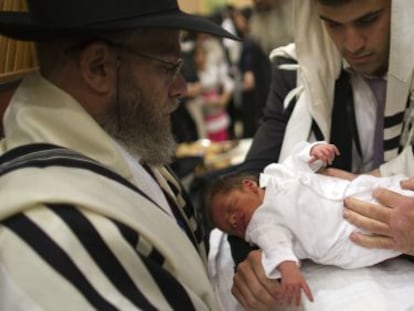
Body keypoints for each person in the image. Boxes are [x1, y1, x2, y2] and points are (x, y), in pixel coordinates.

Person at [0, 0, 239, 309]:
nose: (181, 87)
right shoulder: (53, 230)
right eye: (169, 67)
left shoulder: (127, 148)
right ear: (98, 67)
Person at [224, 0, 414, 309]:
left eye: (368, 20)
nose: (352, 43)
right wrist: (253, 262)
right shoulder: (296, 71)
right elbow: (248, 180)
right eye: (334, 24)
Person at [208, 141, 408, 306]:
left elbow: (298, 158)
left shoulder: (277, 174)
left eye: (231, 207)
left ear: (250, 186)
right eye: (230, 227)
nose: (233, 220)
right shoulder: (262, 223)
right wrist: (289, 271)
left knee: (392, 189)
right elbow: (276, 246)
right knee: (385, 239)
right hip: (343, 237)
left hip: (351, 191)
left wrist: (315, 150)